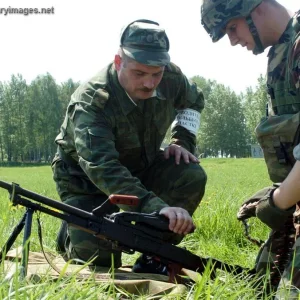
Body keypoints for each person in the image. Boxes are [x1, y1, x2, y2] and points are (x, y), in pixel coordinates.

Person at [51, 19, 207, 274]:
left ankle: (153, 253)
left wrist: (182, 141)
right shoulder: (92, 101)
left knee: (189, 173)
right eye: (139, 73)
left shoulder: (172, 78)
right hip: (86, 182)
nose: (149, 83)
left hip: (141, 167)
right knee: (100, 264)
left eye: (156, 74)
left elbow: (194, 101)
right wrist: (158, 208)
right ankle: (72, 233)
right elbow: (102, 167)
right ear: (118, 62)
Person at [201, 0, 300, 297]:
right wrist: (278, 193)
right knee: (263, 283)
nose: (232, 41)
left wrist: (279, 201)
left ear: (257, 7)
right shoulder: (282, 53)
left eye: (232, 27)